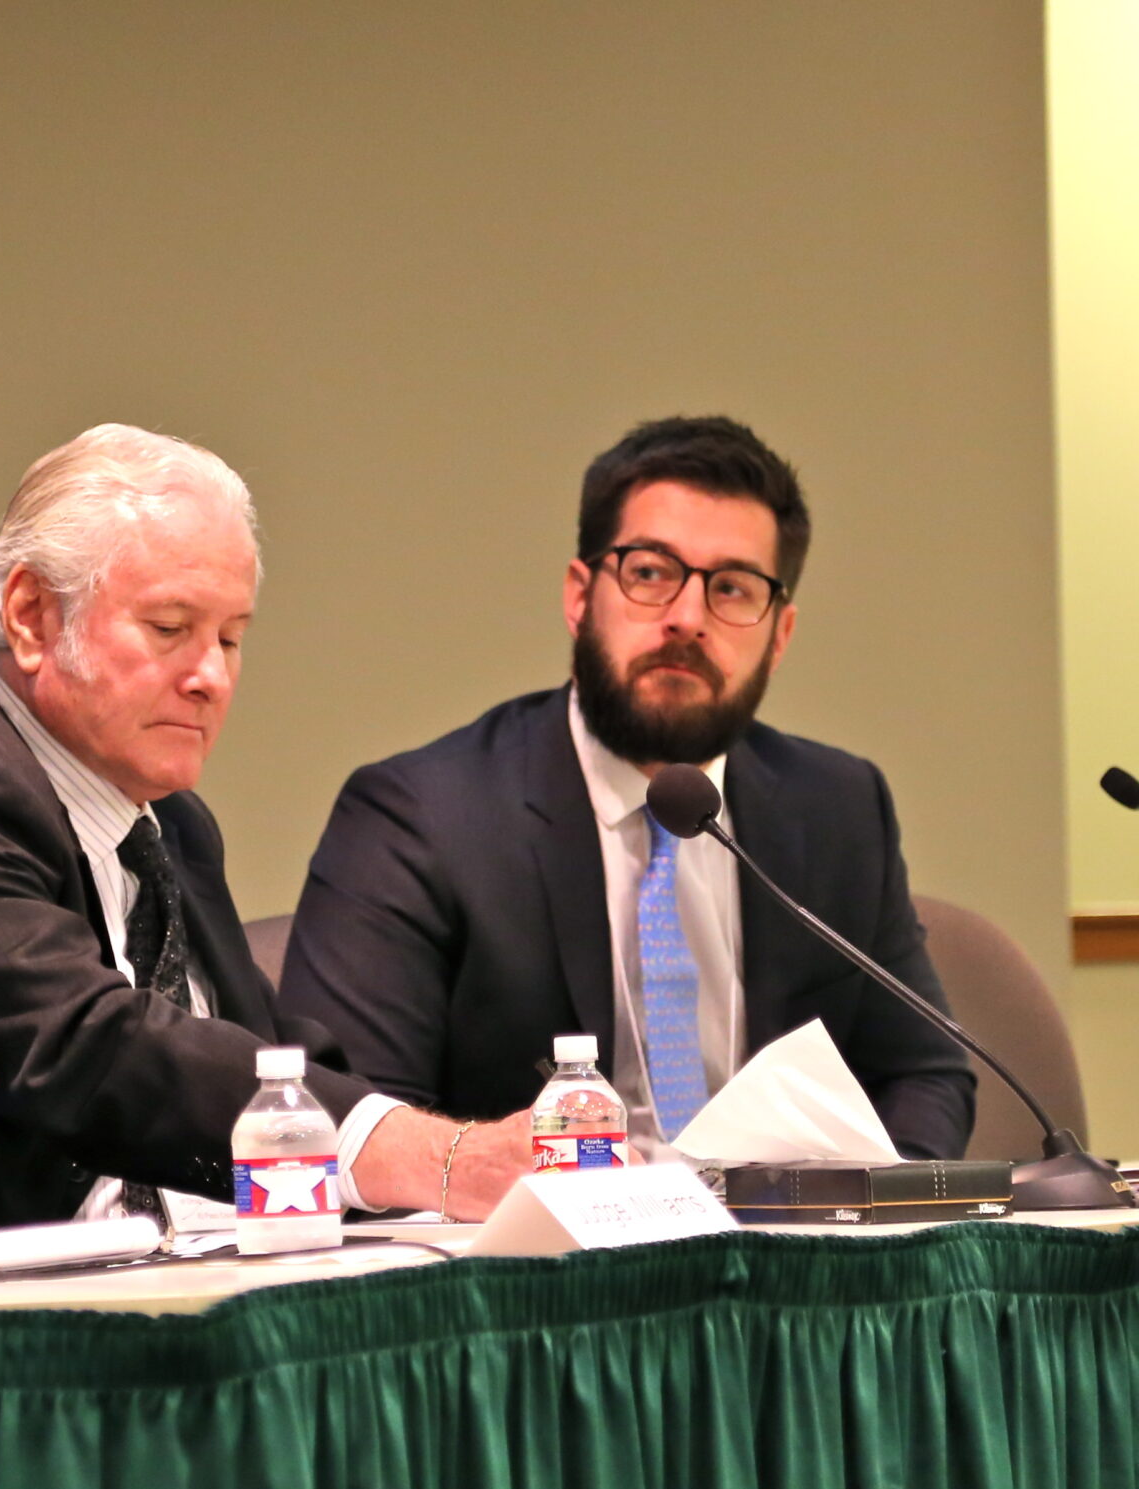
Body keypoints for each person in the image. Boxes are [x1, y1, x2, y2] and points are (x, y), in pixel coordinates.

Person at [0, 425, 532, 1230]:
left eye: (231, 638)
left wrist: (440, 1161)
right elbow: (96, 1052)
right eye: (170, 628)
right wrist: (439, 1161)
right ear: (32, 618)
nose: (210, 678)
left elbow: (272, 1064)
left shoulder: (170, 827)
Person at [275, 415, 974, 1159]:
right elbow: (353, 1115)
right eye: (650, 573)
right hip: (532, 1259)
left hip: (783, 1253)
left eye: (733, 589)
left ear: (780, 634)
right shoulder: (421, 818)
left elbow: (924, 1073)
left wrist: (876, 1230)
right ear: (580, 595)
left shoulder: (838, 809)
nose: (687, 618)